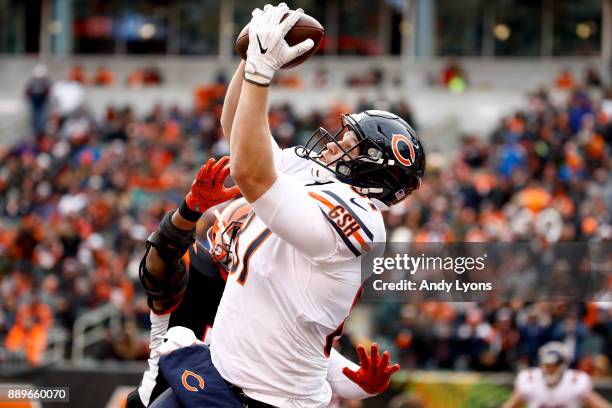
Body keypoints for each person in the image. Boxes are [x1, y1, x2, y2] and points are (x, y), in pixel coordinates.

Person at [203, 3, 423, 407]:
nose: (336, 142)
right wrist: (253, 54)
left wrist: (261, 74)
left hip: (274, 399)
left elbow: (252, 177)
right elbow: (236, 129)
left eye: (352, 143)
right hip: (224, 373)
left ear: (373, 170)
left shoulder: (363, 222)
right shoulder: (314, 172)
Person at [127, 157, 400, 407]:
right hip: (173, 388)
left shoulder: (277, 288)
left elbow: (314, 358)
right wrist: (189, 210)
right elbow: (156, 266)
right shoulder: (198, 268)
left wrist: (363, 383)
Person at [502, 342, 611, 408]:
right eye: (547, 364)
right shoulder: (529, 379)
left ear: (563, 363)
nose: (550, 369)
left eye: (554, 365)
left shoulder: (576, 381)